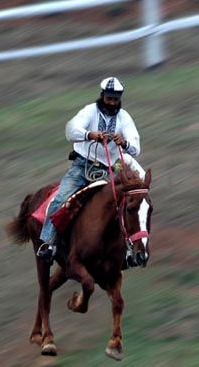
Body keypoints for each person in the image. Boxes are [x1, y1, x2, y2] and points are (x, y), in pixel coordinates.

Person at [36, 77, 141, 263]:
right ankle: (47, 243)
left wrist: (123, 142)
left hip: (112, 164)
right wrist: (89, 135)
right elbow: (70, 130)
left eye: (116, 99)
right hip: (83, 164)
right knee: (61, 198)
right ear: (102, 95)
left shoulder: (124, 117)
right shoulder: (89, 111)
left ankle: (129, 249)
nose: (112, 102)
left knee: (129, 200)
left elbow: (136, 147)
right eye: (109, 98)